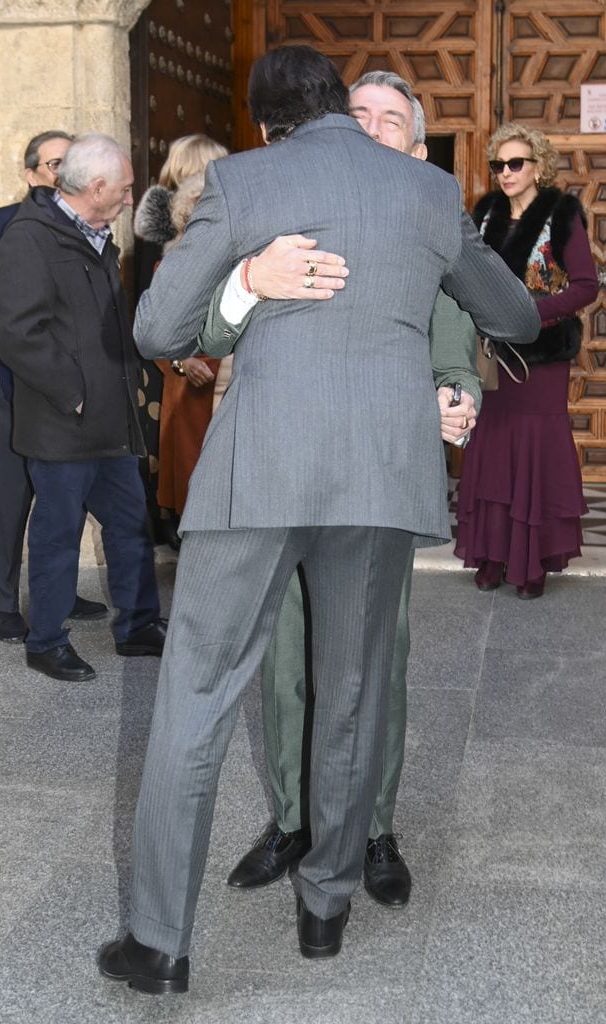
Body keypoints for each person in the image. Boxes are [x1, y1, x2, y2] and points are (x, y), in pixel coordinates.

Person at [99, 45, 539, 993]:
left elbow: (157, 332)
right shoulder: (423, 191)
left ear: (265, 123)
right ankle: (326, 908)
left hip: (258, 471)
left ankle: (159, 944)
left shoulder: (244, 179)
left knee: (196, 699)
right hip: (379, 479)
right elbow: (513, 312)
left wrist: (248, 280)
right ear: (341, 105)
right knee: (351, 689)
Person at [204, 72, 480, 908]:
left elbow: (458, 327)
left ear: (416, 145)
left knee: (370, 665)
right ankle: (293, 818)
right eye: (355, 114)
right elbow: (216, 318)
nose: (369, 128)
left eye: (389, 119)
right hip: (281, 474)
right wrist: (249, 279)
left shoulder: (429, 214)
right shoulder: (281, 209)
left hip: (373, 482)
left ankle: (370, 828)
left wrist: (455, 389)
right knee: (286, 656)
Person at [0, 133, 167, 681]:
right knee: (57, 534)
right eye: (124, 187)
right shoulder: (28, 238)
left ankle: (138, 626)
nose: (129, 196)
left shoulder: (96, 235)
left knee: (128, 526)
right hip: (62, 424)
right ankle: (46, 641)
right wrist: (76, 394)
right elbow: (21, 335)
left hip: (111, 423)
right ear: (96, 188)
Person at [0, 130, 107, 643]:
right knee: (12, 495)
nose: (63, 174)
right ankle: (2, 601)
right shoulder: (1, 224)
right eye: (54, 164)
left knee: (69, 497)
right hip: (19, 389)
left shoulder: (92, 222)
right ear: (30, 174)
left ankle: (58, 592)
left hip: (79, 391)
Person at [455, 122, 598, 599]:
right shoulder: (485, 214)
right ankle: (492, 556)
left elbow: (585, 285)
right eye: (499, 164)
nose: (506, 172)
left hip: (542, 355)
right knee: (491, 449)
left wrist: (531, 313)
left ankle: (531, 562)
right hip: (493, 352)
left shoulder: (561, 213)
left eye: (516, 163)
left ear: (539, 166)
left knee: (534, 449)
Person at [133, 135, 229, 548]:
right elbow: (150, 314)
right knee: (181, 457)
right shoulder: (162, 240)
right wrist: (178, 361)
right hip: (178, 367)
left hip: (221, 364)